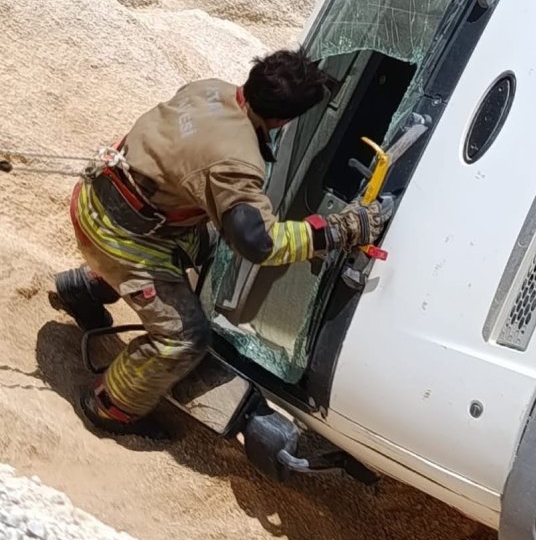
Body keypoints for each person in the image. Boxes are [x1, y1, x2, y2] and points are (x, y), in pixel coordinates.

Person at [56, 49, 391, 438]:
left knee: (208, 249)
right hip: (122, 240)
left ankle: (84, 287)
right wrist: (337, 231)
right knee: (184, 339)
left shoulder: (210, 89)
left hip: (102, 202)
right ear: (284, 119)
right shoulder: (237, 160)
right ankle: (109, 408)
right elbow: (259, 243)